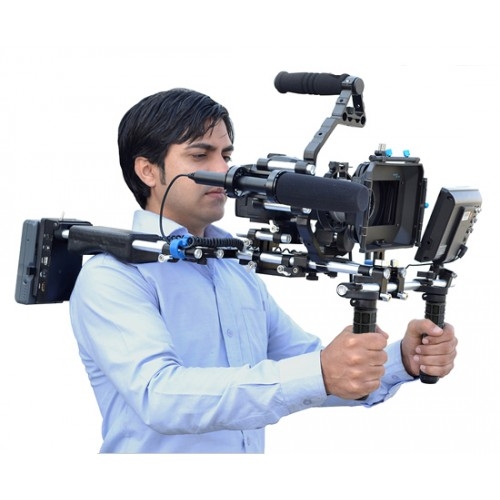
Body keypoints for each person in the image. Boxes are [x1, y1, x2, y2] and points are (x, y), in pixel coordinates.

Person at [69, 88, 458, 453]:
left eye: (226, 154)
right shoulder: (113, 276)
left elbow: (312, 366)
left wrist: (402, 359)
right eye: (200, 155)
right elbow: (160, 397)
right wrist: (321, 371)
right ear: (148, 171)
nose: (222, 169)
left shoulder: (233, 267)